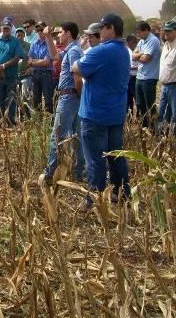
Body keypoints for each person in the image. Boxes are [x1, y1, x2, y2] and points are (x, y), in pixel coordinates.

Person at [72, 14, 130, 208]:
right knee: (116, 156)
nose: (100, 32)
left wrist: (79, 57)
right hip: (115, 113)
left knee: (95, 159)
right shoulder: (124, 51)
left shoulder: (101, 51)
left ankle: (94, 199)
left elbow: (76, 68)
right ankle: (121, 193)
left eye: (102, 28)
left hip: (95, 114)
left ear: (111, 29)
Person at [39, 22, 85, 185]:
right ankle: (79, 172)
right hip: (71, 97)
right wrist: (48, 38)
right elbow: (55, 57)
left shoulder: (74, 51)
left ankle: (49, 173)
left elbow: (77, 78)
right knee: (75, 136)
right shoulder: (71, 49)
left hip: (70, 97)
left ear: (68, 34)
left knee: (57, 135)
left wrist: (78, 95)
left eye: (61, 33)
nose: (59, 35)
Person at [0, 19, 25, 125]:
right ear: (1, 29)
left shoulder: (15, 41)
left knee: (11, 100)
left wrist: (3, 66)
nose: (6, 30)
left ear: (10, 29)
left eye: (8, 29)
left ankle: (10, 120)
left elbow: (17, 57)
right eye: (4, 28)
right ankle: (0, 120)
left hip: (11, 76)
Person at [133, 21, 162, 129]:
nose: (138, 35)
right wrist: (141, 53)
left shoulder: (153, 40)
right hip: (140, 77)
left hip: (149, 78)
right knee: (140, 104)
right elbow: (133, 56)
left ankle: (154, 129)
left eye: (139, 32)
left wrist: (139, 55)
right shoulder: (142, 41)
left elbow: (145, 59)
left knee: (150, 106)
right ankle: (145, 127)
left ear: (146, 30)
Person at [28, 21, 54, 113]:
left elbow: (46, 63)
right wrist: (38, 61)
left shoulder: (50, 44)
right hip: (35, 74)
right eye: (37, 30)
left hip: (46, 74)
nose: (39, 31)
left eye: (41, 29)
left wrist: (33, 62)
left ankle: (49, 124)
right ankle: (38, 123)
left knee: (48, 100)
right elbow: (29, 59)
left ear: (46, 30)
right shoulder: (34, 43)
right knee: (36, 101)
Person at [157, 19, 176, 135]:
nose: (166, 34)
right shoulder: (165, 46)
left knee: (175, 114)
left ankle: (172, 139)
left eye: (169, 31)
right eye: (165, 31)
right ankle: (161, 135)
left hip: (174, 85)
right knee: (161, 113)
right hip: (164, 85)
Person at [15, 27, 32, 119]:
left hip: (26, 75)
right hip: (14, 75)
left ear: (24, 35)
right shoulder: (12, 45)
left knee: (25, 97)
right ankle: (18, 117)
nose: (19, 34)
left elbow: (33, 57)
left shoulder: (29, 46)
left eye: (21, 32)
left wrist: (31, 68)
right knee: (16, 97)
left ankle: (27, 117)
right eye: (17, 33)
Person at [125, 34, 139, 115]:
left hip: (137, 77)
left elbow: (142, 65)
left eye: (129, 43)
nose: (128, 45)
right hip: (129, 77)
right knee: (128, 99)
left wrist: (131, 68)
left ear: (133, 42)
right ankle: (129, 117)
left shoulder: (139, 50)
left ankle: (139, 116)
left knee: (137, 99)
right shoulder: (128, 51)